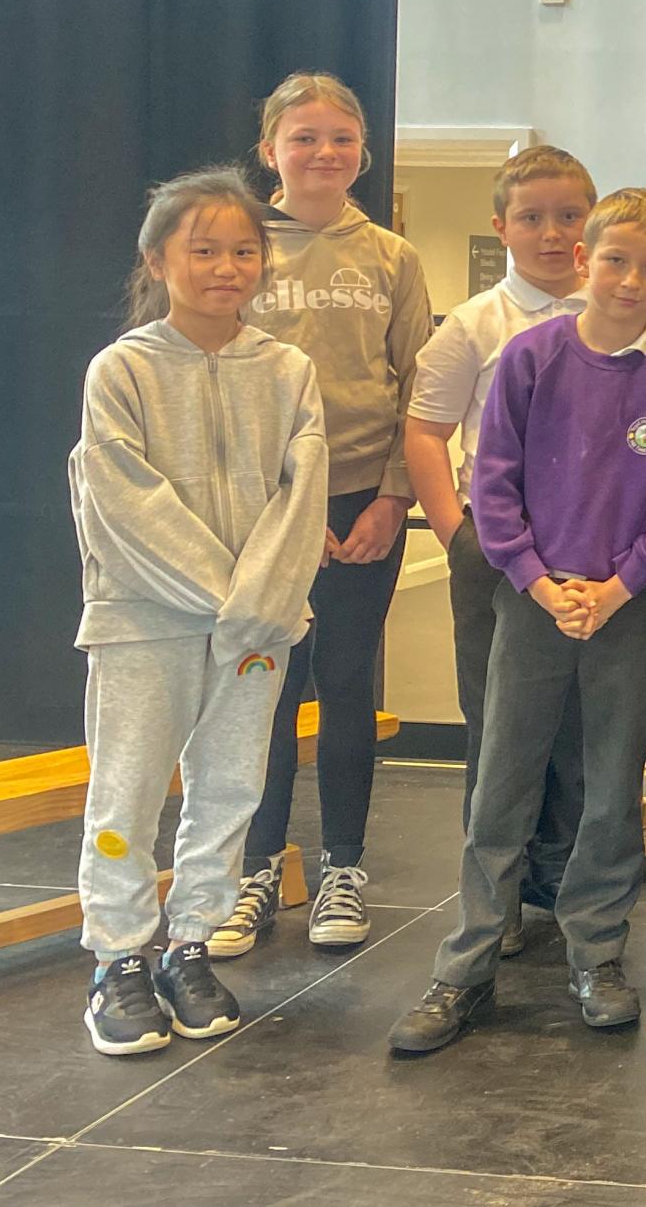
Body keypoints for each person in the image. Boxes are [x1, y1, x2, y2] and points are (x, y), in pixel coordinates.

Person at [389, 189, 646, 1053]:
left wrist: (615, 588)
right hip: (531, 605)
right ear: (585, 262)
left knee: (611, 787)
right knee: (503, 780)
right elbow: (491, 487)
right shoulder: (532, 358)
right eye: (615, 261)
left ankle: (597, 954)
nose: (631, 280)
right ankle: (466, 962)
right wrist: (540, 583)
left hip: (627, 608)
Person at [71, 167, 328, 1053]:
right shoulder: (122, 372)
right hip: (145, 620)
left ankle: (191, 944)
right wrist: (227, 599)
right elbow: (121, 498)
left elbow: (304, 494)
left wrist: (259, 608)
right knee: (129, 788)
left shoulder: (289, 370)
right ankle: (117, 957)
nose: (227, 266)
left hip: (258, 628)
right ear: (158, 259)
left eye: (244, 249)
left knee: (231, 788)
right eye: (204, 249)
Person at [230, 71, 429, 954]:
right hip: (262, 505)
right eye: (304, 137)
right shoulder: (237, 246)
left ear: (363, 154)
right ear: (270, 149)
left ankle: (343, 867)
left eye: (341, 139)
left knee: (345, 684)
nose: (323, 153)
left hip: (362, 503)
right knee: (264, 690)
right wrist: (280, 511)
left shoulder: (391, 256)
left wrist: (394, 495)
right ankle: (255, 868)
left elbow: (417, 383)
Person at [400, 144, 598, 959]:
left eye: (569, 216)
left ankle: (561, 873)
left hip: (589, 552)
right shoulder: (475, 325)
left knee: (578, 720)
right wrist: (456, 532)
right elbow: (426, 431)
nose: (552, 234)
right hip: (497, 547)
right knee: (496, 721)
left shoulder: (616, 320)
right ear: (501, 227)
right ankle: (499, 889)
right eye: (532, 218)